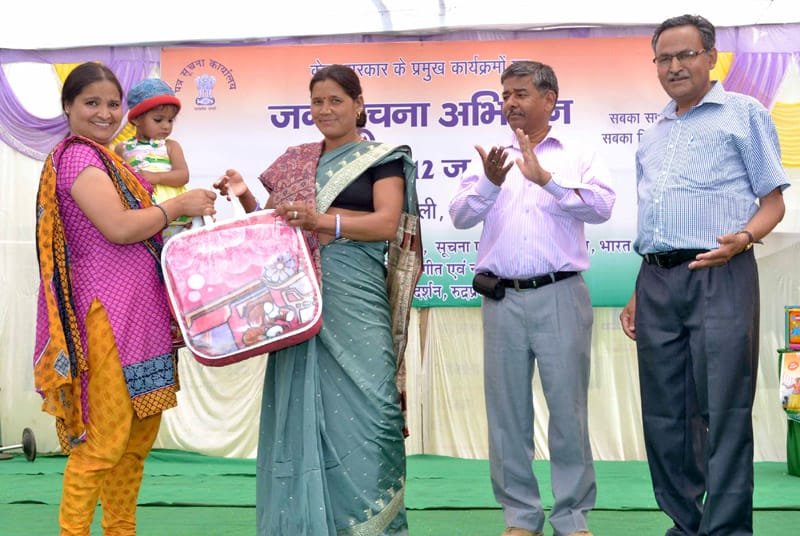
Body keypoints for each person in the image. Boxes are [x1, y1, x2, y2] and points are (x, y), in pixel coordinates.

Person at [213, 64, 417, 535]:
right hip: (299, 304)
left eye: (336, 101)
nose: (325, 110)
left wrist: (324, 221)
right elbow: (276, 229)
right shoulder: (295, 160)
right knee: (302, 411)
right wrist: (246, 197)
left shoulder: (381, 158)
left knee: (375, 408)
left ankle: (373, 523)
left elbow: (387, 223)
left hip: (355, 297)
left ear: (358, 104)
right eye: (317, 102)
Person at [618, 14, 789, 536]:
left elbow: (773, 203)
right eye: (664, 58)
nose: (675, 66)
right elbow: (653, 220)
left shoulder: (744, 113)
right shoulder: (655, 131)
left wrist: (744, 238)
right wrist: (635, 293)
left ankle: (727, 528)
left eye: (686, 54)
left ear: (711, 57)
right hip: (657, 280)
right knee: (666, 414)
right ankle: (686, 524)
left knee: (724, 407)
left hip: (721, 273)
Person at [32, 61, 217, 535]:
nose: (104, 113)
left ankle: (121, 530)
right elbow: (118, 228)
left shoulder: (113, 158)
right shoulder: (78, 158)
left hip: (144, 319)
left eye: (112, 104)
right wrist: (176, 205)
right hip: (106, 319)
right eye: (91, 103)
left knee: (135, 445)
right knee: (102, 445)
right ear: (68, 107)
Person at [449, 60, 615, 536]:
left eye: (520, 93)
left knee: (568, 411)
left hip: (560, 294)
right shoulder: (490, 157)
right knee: (506, 415)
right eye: (505, 95)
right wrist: (490, 182)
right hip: (502, 300)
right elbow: (459, 217)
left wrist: (547, 180)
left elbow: (603, 207)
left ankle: (571, 516)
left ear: (550, 99)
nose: (510, 103)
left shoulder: (579, 151)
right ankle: (520, 516)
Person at [115, 78, 190, 241]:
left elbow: (183, 176)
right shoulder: (122, 148)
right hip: (141, 214)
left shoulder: (170, 146)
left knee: (173, 253)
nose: (166, 126)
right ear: (136, 119)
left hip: (174, 218)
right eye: (158, 120)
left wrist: (155, 177)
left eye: (170, 120)